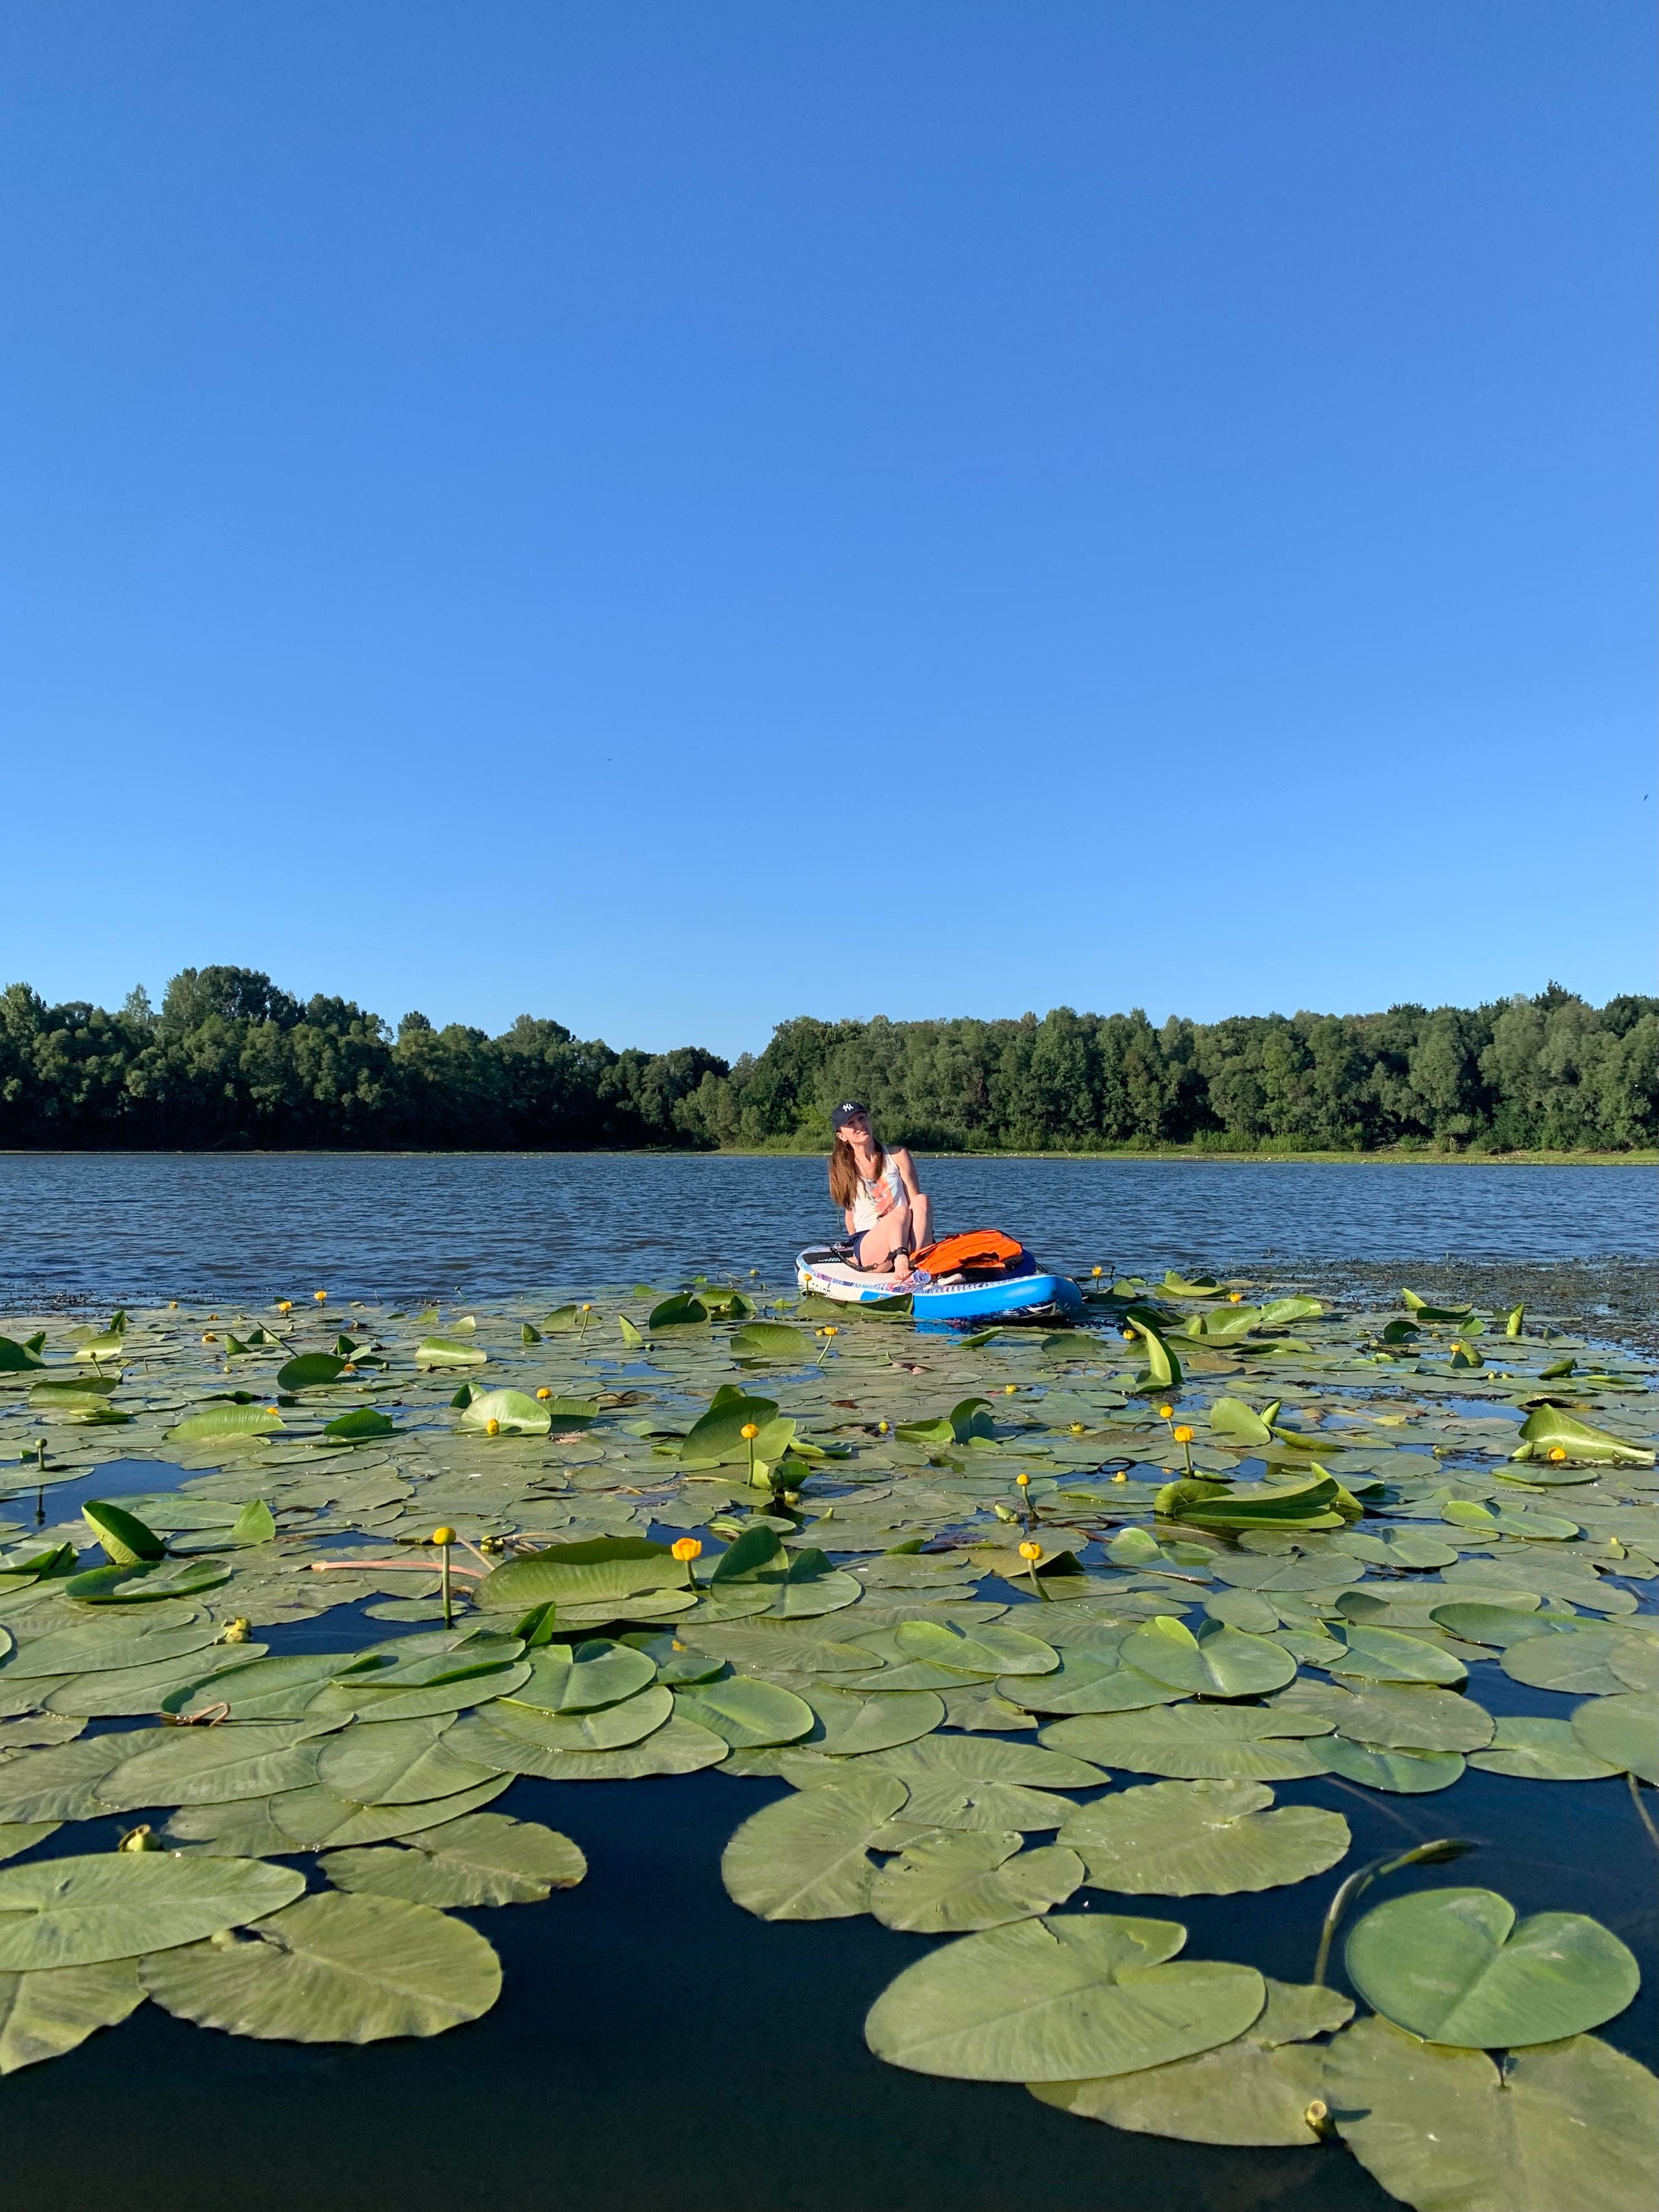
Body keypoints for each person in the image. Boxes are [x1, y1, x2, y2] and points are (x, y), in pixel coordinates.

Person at [827, 1101, 933, 1276]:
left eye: (862, 1118)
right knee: (899, 1213)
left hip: (907, 1237)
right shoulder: (842, 1168)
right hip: (872, 1245)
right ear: (842, 1136)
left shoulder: (898, 1156)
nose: (860, 1125)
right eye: (851, 1123)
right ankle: (901, 1263)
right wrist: (855, 1252)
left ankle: (918, 1261)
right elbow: (850, 1214)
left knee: (922, 1200)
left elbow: (916, 1204)